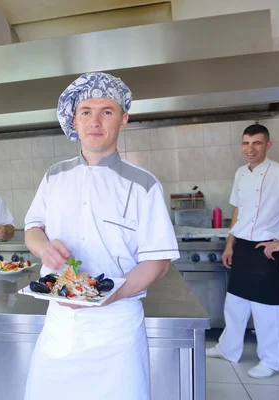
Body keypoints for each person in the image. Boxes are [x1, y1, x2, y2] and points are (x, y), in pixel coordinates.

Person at [23, 72, 179, 399]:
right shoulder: (55, 176)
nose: (95, 120)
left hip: (117, 330)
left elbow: (158, 263)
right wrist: (43, 248)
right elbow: (32, 229)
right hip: (60, 327)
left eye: (106, 111)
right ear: (74, 121)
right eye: (86, 112)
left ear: (123, 120)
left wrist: (105, 296)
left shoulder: (143, 185)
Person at [206, 124, 279, 378]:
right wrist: (230, 244)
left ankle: (272, 361)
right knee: (235, 303)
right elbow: (238, 211)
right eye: (246, 143)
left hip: (266, 250)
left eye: (257, 143)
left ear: (268, 145)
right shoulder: (241, 173)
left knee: (267, 308)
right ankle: (229, 348)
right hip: (242, 247)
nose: (250, 149)